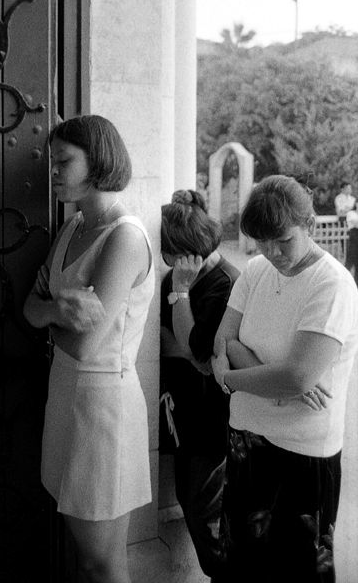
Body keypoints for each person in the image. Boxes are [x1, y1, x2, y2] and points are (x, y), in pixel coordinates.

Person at [23, 115, 154, 583]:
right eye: (53, 162)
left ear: (98, 160)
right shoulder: (74, 224)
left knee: (102, 561)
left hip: (102, 408)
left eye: (64, 162)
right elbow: (29, 309)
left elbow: (86, 343)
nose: (53, 172)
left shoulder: (124, 236)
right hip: (65, 396)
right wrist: (56, 308)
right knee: (88, 558)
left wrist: (48, 311)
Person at [211, 175, 358, 583]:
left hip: (302, 451)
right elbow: (222, 340)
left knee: (296, 571)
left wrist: (233, 377)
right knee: (241, 568)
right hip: (247, 440)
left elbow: (296, 377)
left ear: (309, 227)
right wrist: (273, 376)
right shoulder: (256, 271)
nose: (272, 252)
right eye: (262, 241)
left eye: (283, 240)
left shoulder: (332, 285)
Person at [160, 190, 239, 582]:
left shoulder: (224, 284)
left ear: (185, 252)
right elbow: (163, 341)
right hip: (183, 411)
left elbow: (198, 354)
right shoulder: (179, 281)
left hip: (212, 417)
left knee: (200, 507)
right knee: (189, 500)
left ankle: (223, 575)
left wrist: (181, 294)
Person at [346, 205, 358, 285]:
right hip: (354, 241)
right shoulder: (351, 213)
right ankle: (344, 283)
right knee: (348, 264)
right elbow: (355, 222)